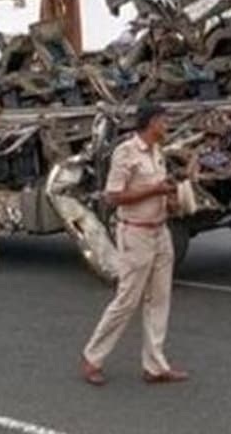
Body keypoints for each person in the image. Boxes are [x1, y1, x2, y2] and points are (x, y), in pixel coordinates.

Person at [80, 101, 188, 386]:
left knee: (160, 299)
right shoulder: (126, 152)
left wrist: (173, 199)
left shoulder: (157, 152)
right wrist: (155, 189)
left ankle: (154, 365)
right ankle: (93, 357)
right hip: (135, 233)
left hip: (160, 231)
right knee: (127, 300)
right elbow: (113, 196)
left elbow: (159, 190)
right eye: (164, 121)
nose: (167, 126)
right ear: (151, 122)